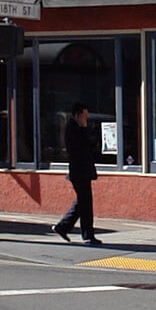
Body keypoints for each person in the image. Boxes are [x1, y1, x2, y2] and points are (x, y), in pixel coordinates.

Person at [53, 104, 101, 244]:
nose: (86, 118)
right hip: (79, 172)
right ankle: (87, 235)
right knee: (85, 204)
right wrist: (84, 128)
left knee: (82, 202)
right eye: (84, 116)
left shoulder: (77, 128)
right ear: (77, 115)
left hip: (83, 171)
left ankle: (63, 227)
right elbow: (82, 147)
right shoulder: (73, 129)